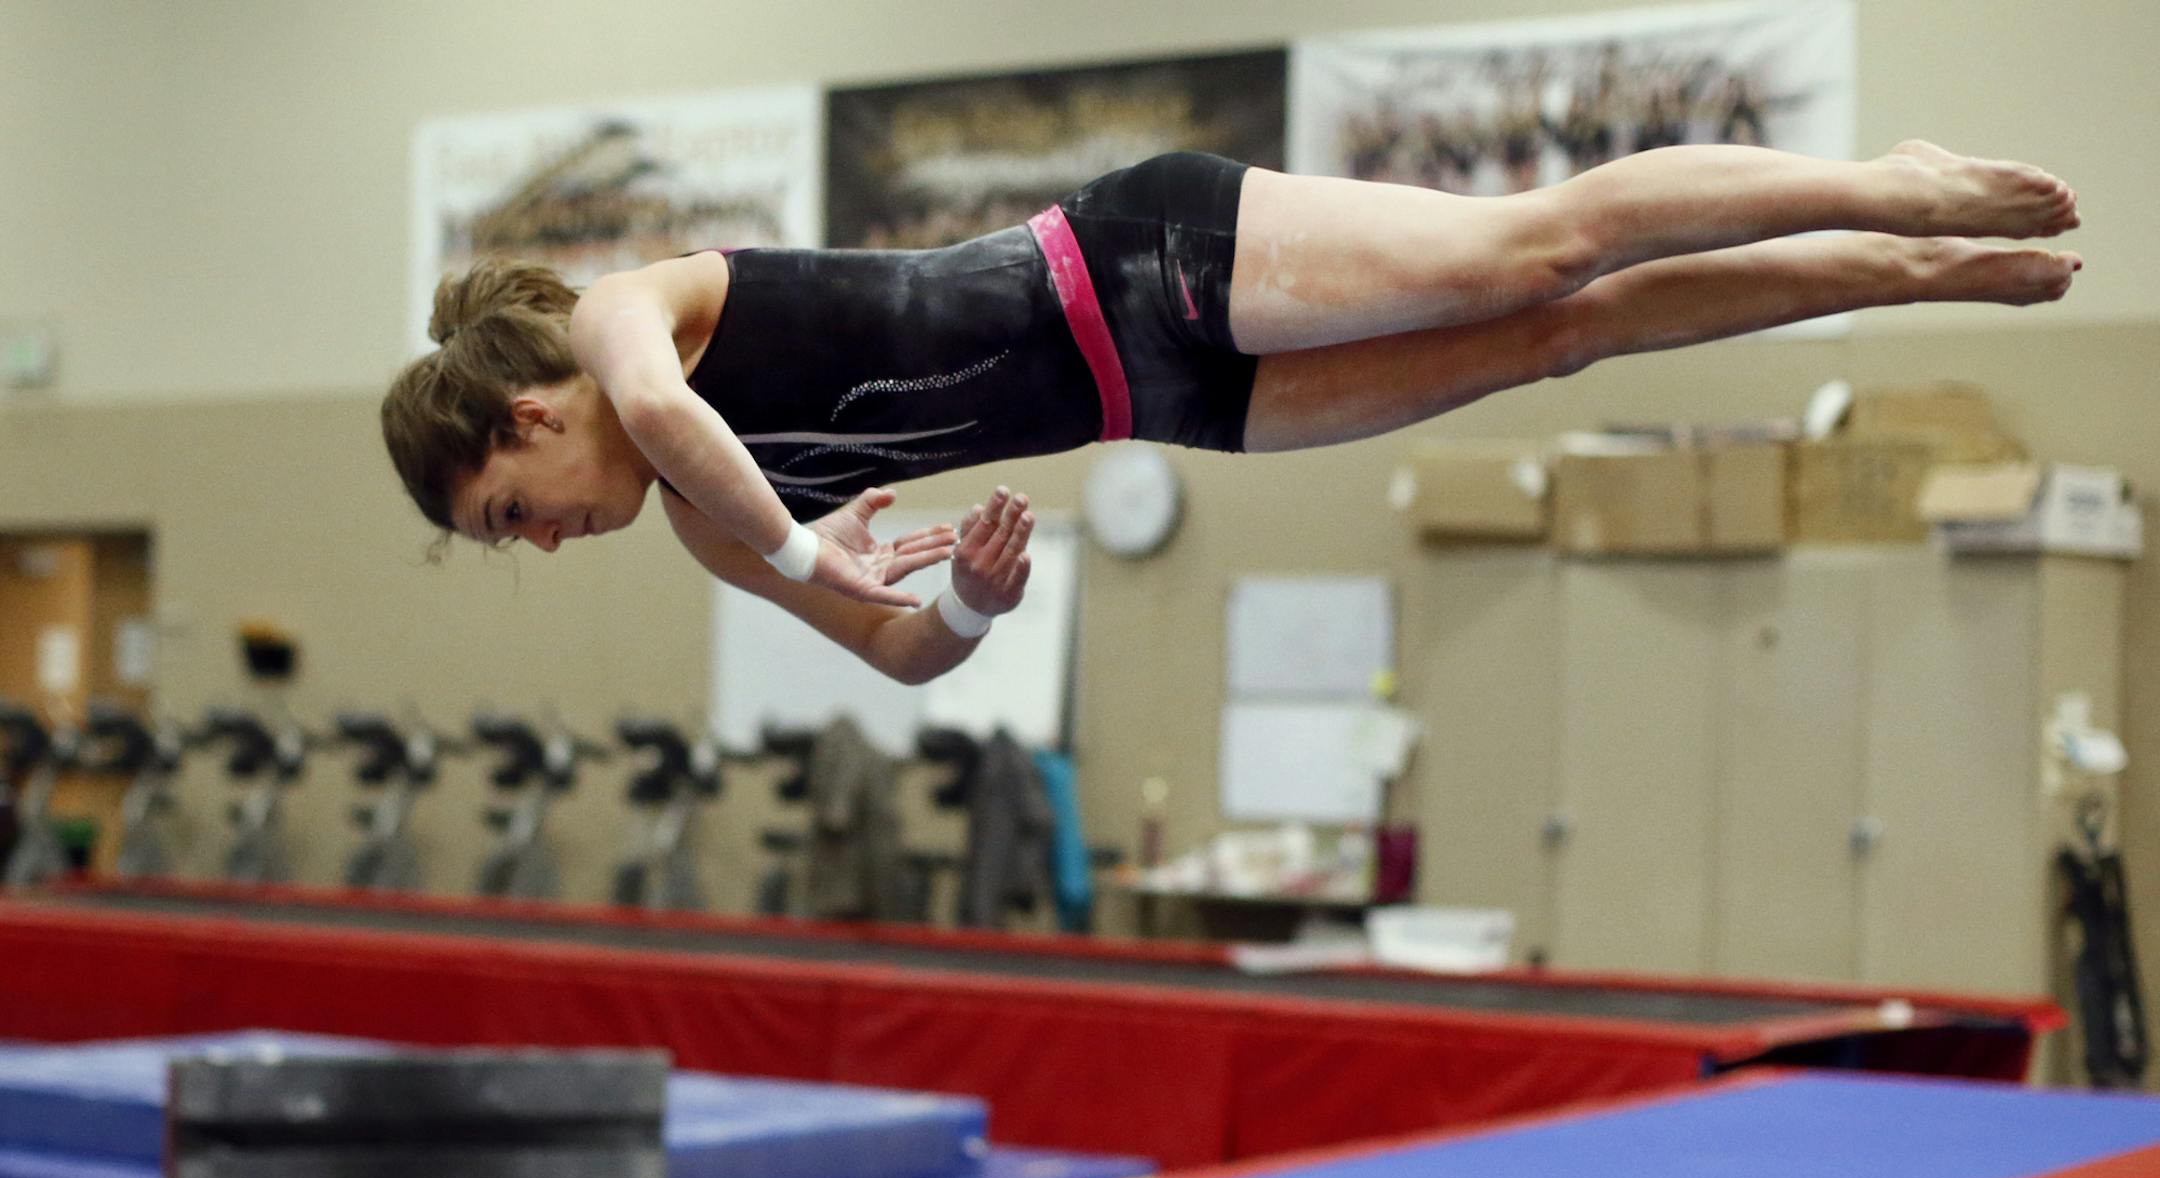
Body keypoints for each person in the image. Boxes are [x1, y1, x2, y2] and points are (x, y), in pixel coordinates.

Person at [382, 140, 2080, 671]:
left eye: (507, 512)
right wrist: (963, 599)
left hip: (1135, 263)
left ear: (524, 418)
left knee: (1527, 245)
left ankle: (1891, 186)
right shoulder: (707, 526)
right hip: (1171, 399)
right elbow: (903, 660)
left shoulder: (624, 326)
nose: (540, 540)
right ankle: (1898, 274)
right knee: (1560, 340)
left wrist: (814, 559)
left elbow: (683, 429)